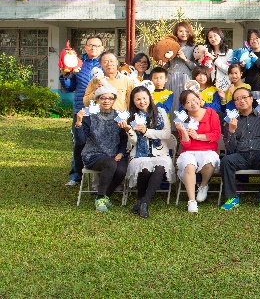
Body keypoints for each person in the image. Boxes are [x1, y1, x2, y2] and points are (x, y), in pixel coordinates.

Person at [220, 87, 260, 210]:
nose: (241, 101)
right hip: (241, 155)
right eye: (237, 99)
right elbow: (230, 147)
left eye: (244, 97)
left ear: (252, 99)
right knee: (226, 161)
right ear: (235, 103)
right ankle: (232, 197)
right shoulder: (232, 120)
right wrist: (231, 131)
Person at [74, 84, 128, 212]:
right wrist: (78, 123)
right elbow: (80, 141)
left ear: (114, 100)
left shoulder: (119, 115)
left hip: (113, 154)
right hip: (93, 154)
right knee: (110, 164)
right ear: (97, 100)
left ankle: (105, 196)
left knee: (121, 170)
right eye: (103, 98)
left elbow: (123, 138)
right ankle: (100, 197)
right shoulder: (89, 116)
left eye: (110, 98)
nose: (106, 101)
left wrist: (121, 152)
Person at [123, 86, 175, 218]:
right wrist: (129, 130)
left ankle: (144, 202)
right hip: (140, 153)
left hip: (160, 152)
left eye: (144, 98)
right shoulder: (131, 116)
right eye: (138, 99)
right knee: (145, 169)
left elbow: (166, 134)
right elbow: (133, 141)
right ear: (133, 101)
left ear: (149, 98)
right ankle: (140, 199)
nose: (142, 102)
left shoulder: (160, 112)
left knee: (159, 167)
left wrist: (147, 132)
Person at [60, 35, 104, 186]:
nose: (94, 48)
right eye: (91, 45)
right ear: (85, 47)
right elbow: (69, 86)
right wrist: (65, 75)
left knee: (100, 142)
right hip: (81, 110)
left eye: (97, 46)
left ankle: (97, 176)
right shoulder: (78, 63)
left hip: (100, 111)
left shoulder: (105, 64)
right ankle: (76, 176)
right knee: (79, 143)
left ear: (102, 48)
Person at [174, 90, 221, 213]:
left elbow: (216, 134)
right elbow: (186, 143)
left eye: (194, 99)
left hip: (208, 149)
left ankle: (203, 185)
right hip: (189, 150)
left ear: (199, 99)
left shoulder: (211, 113)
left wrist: (198, 136)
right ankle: (191, 201)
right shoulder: (182, 118)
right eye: (188, 102)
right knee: (189, 165)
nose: (193, 103)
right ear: (184, 106)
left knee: (209, 161)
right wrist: (183, 131)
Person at [164, 21, 197, 112]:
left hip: (186, 78)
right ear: (176, 33)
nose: (184, 34)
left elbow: (195, 68)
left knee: (185, 103)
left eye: (186, 31)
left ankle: (185, 125)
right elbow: (166, 65)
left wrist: (184, 58)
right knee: (171, 103)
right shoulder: (171, 45)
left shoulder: (194, 47)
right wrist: (164, 62)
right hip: (171, 77)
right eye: (181, 31)